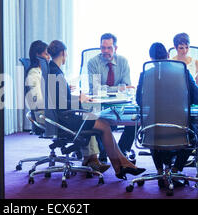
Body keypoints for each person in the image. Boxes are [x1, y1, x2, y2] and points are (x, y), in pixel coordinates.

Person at [47, 40, 145, 179]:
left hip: (62, 116)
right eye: (66, 54)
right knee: (104, 125)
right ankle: (121, 165)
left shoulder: (51, 69)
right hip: (65, 119)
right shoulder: (56, 72)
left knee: (102, 122)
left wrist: (77, 98)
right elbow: (61, 104)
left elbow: (58, 99)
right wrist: (79, 99)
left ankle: (121, 164)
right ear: (63, 53)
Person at [26, 40, 109, 173]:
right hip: (47, 116)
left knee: (89, 117)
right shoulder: (36, 74)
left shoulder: (49, 71)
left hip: (52, 113)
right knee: (90, 119)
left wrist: (61, 90)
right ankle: (94, 158)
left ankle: (91, 158)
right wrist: (60, 93)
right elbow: (40, 101)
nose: (48, 57)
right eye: (46, 55)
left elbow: (55, 98)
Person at [136, 42, 198, 187]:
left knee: (152, 123)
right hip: (180, 129)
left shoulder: (145, 75)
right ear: (168, 55)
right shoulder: (183, 72)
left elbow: (138, 100)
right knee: (196, 129)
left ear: (151, 58)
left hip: (153, 130)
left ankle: (160, 171)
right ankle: (176, 169)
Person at [87, 33, 136, 161]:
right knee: (95, 118)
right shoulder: (93, 63)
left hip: (120, 104)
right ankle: (103, 153)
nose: (105, 51)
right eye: (103, 48)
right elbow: (96, 89)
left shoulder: (123, 61)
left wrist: (109, 89)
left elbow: (126, 86)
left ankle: (121, 149)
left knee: (136, 119)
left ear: (116, 48)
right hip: (99, 104)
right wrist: (117, 88)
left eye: (109, 48)